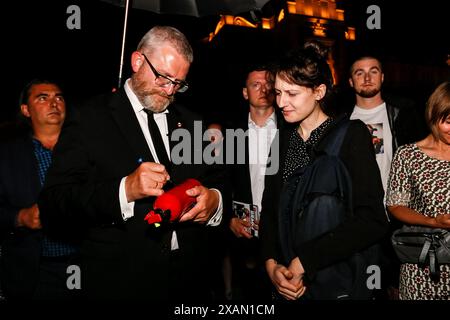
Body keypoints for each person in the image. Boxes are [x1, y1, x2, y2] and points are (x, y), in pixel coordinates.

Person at [38, 26, 228, 300]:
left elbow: (220, 179)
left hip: (191, 281)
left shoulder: (192, 122)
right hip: (121, 282)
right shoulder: (90, 119)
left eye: (179, 83)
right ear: (138, 61)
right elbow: (54, 202)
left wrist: (215, 201)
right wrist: (124, 190)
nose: (169, 89)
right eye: (163, 77)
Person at [259, 42, 389, 300]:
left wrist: (305, 261)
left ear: (318, 92)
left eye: (292, 94)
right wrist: (272, 265)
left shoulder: (352, 135)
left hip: (338, 282)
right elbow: (271, 211)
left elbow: (372, 220)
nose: (281, 102)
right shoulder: (283, 140)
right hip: (289, 285)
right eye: (277, 92)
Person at [348, 55, 428, 299]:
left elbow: (421, 160)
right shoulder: (339, 120)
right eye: (359, 72)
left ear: (382, 77)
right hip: (355, 215)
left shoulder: (404, 112)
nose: (367, 77)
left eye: (373, 71)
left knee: (396, 287)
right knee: (359, 285)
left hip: (398, 214)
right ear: (350, 81)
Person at [0, 79, 80, 300]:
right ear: (26, 110)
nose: (54, 103)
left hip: (86, 263)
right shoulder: (7, 155)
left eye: (59, 97)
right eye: (43, 98)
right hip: (34, 269)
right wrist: (21, 217)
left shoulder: (85, 148)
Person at [386, 81, 450, 300]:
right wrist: (433, 221)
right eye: (449, 121)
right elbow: (394, 205)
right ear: (433, 114)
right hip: (424, 264)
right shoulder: (408, 155)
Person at [227, 63, 280, 301]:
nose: (263, 88)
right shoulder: (231, 133)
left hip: (281, 235)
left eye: (268, 83)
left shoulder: (290, 129)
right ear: (245, 92)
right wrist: (229, 218)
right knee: (247, 295)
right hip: (244, 235)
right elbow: (221, 179)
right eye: (255, 84)